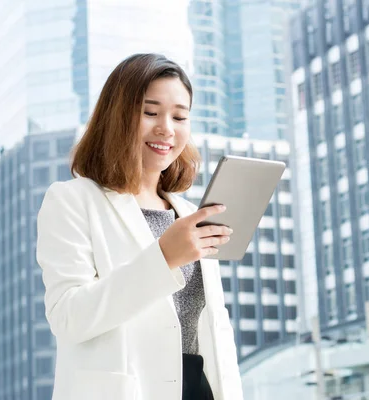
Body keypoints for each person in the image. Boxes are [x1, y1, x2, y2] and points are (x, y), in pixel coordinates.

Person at [36, 53, 244, 400]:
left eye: (180, 116)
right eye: (150, 112)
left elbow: (213, 328)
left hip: (199, 388)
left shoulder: (190, 213)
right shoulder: (72, 200)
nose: (167, 128)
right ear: (117, 116)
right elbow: (68, 317)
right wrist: (163, 257)